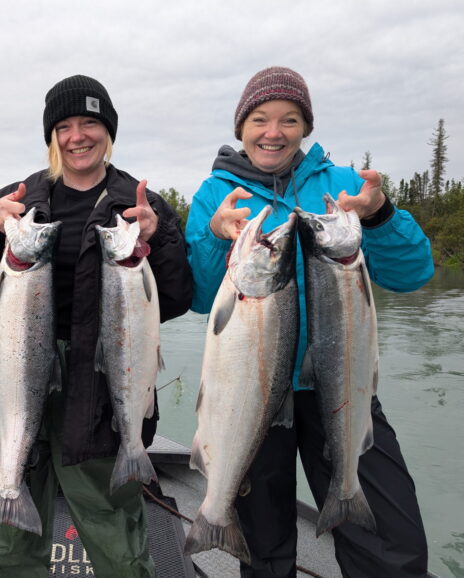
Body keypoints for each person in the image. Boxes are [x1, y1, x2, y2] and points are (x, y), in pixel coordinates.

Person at [0, 74, 193, 577]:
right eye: (65, 125)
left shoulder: (141, 206)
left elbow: (177, 298)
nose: (78, 136)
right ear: (52, 136)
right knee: (7, 545)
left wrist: (158, 240)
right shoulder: (19, 199)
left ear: (108, 131)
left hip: (103, 384)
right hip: (14, 371)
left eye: (90, 123)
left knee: (115, 530)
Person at [185, 66, 432, 577]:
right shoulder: (215, 194)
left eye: (289, 119)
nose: (273, 131)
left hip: (341, 385)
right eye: (260, 119)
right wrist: (213, 235)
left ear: (305, 127)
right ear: (241, 127)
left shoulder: (342, 185)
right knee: (264, 545)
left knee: (390, 540)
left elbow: (412, 274)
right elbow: (202, 297)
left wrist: (380, 214)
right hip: (249, 390)